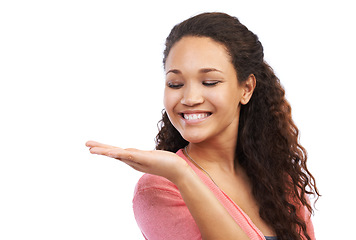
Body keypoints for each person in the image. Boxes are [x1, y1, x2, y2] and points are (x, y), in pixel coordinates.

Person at [86, 12, 320, 240]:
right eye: (175, 84)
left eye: (209, 82)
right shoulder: (159, 189)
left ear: (246, 88)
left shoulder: (282, 182)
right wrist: (183, 175)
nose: (189, 98)